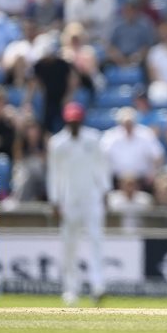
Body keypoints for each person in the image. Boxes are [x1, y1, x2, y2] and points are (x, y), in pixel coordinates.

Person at [47, 102, 111, 306]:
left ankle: (97, 286)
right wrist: (55, 200)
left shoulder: (93, 139)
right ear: (66, 121)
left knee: (96, 240)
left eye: (77, 121)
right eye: (71, 121)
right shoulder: (58, 143)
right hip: (69, 200)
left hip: (92, 197)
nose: (74, 125)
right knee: (69, 245)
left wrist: (105, 191)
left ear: (81, 120)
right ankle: (70, 290)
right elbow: (54, 173)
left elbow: (102, 166)